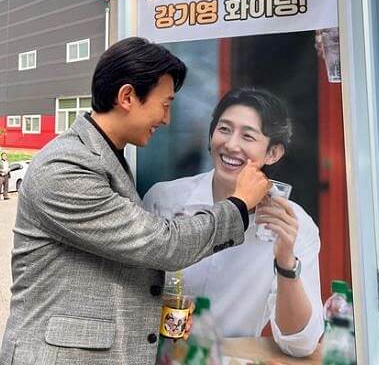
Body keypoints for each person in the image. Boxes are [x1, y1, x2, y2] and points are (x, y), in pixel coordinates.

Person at [0, 38, 271, 365]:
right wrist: (239, 205)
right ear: (127, 96)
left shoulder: (108, 157)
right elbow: (162, 244)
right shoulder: (64, 168)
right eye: (165, 104)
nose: (166, 119)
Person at [144, 88, 324, 357]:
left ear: (273, 153)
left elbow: (300, 344)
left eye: (248, 136)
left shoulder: (294, 224)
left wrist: (286, 262)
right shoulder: (165, 200)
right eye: (224, 129)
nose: (230, 144)